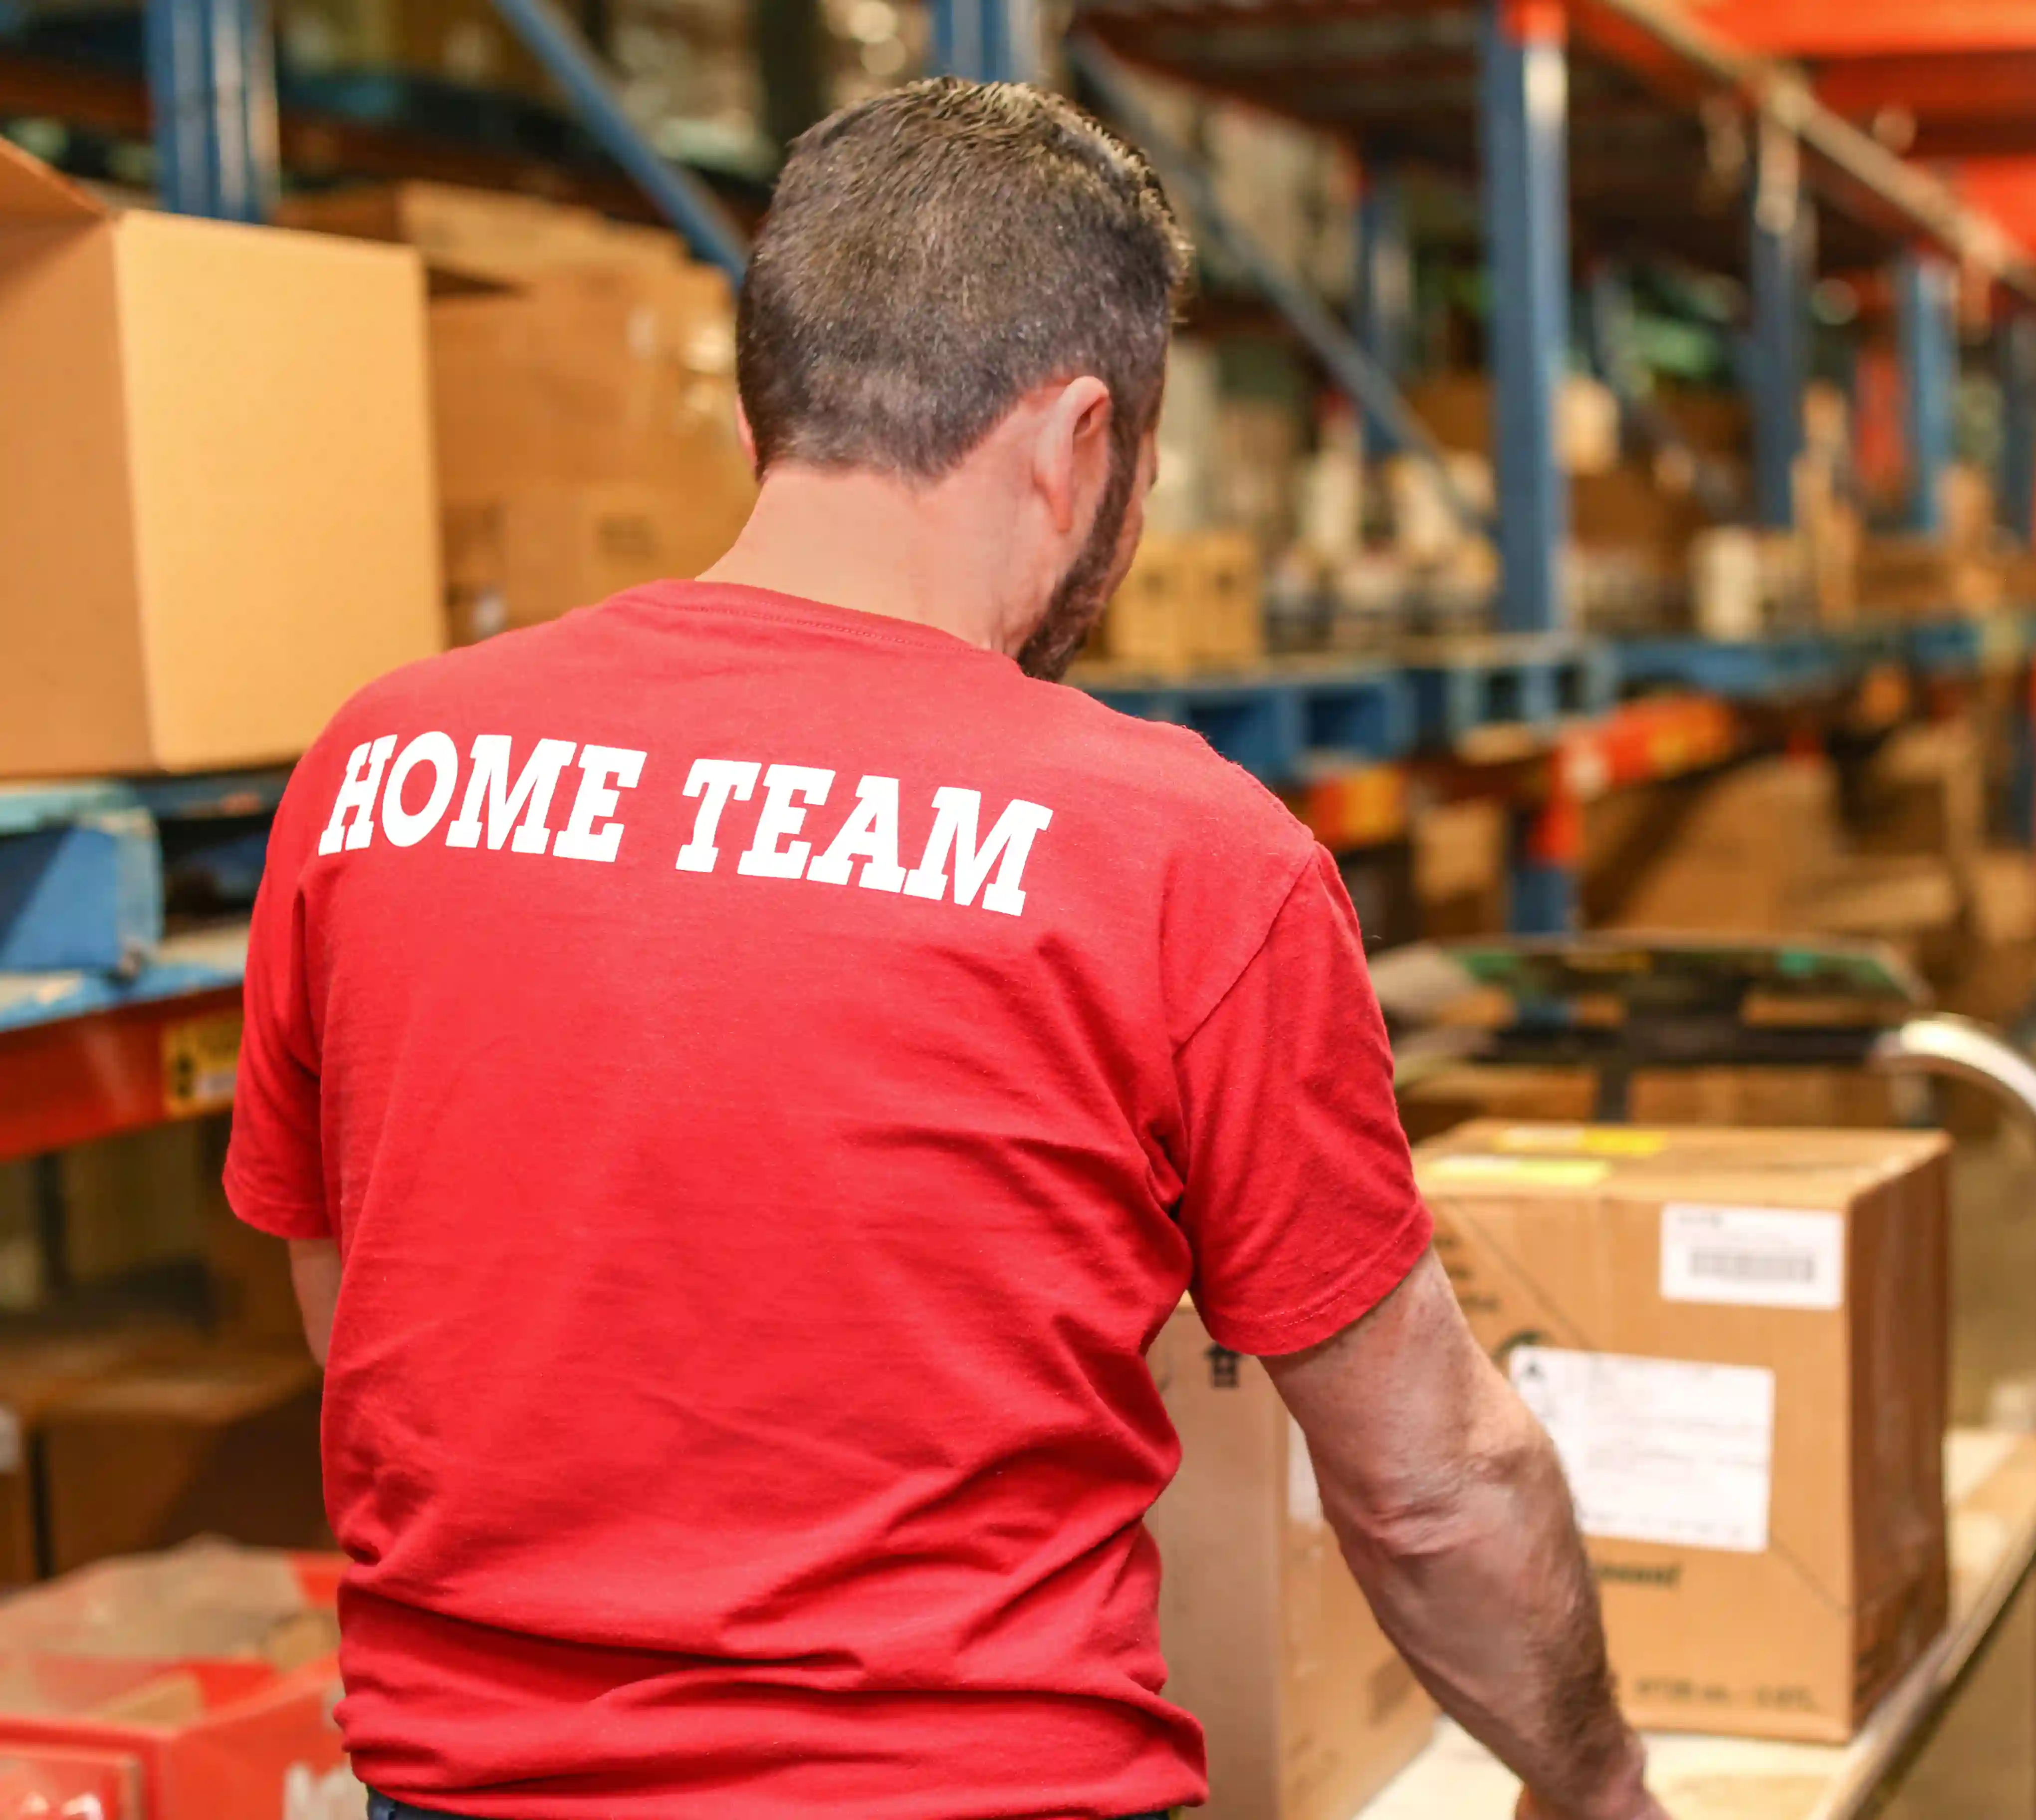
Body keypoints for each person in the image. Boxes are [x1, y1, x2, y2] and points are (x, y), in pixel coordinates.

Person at [227, 77, 1670, 1820]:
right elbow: (1430, 1490)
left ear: (768, 419)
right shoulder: (1184, 858)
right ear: (1079, 446)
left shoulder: (378, 769)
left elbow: (359, 1300)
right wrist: (1595, 1785)